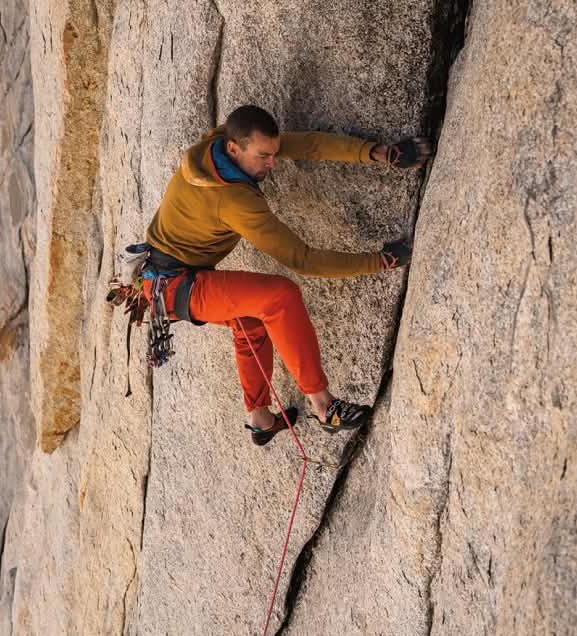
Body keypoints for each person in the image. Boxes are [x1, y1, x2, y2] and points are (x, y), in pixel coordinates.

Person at [138, 104, 431, 446]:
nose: (272, 164)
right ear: (235, 149)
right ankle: (325, 407)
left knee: (248, 321)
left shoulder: (218, 144)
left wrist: (380, 154)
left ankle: (261, 418)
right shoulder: (234, 201)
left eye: (273, 154)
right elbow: (301, 259)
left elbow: (306, 145)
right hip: (171, 287)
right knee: (278, 297)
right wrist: (380, 261)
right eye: (264, 156)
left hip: (169, 276)